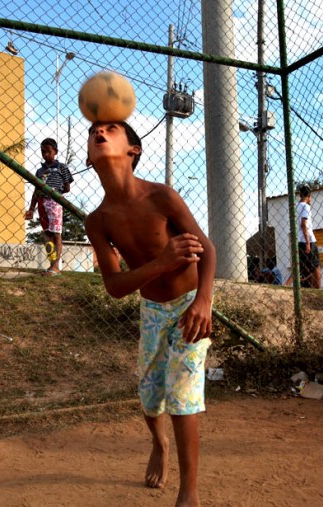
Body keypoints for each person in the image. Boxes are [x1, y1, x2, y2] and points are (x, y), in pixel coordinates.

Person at [84, 122, 216, 507]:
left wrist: (204, 300)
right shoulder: (98, 221)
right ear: (90, 160)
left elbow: (206, 248)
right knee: (149, 393)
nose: (100, 133)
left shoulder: (162, 197)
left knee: (182, 393)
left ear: (133, 150)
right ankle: (159, 444)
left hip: (191, 303)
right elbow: (115, 285)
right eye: (94, 131)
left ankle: (188, 492)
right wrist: (161, 262)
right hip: (153, 310)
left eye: (110, 129)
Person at [24, 138, 74, 276]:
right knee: (47, 234)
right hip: (41, 202)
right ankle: (51, 265)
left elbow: (67, 187)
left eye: (48, 151)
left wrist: (55, 192)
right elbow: (35, 191)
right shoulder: (40, 171)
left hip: (55, 202)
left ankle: (56, 266)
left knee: (56, 233)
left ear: (55, 152)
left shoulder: (62, 167)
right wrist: (31, 208)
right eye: (42, 152)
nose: (45, 154)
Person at [297, 185, 321, 288]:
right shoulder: (306, 206)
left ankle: (309, 288)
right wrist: (308, 243)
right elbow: (303, 224)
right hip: (309, 240)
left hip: (299, 240)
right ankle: (319, 289)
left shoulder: (295, 206)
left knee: (305, 267)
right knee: (316, 266)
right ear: (309, 196)